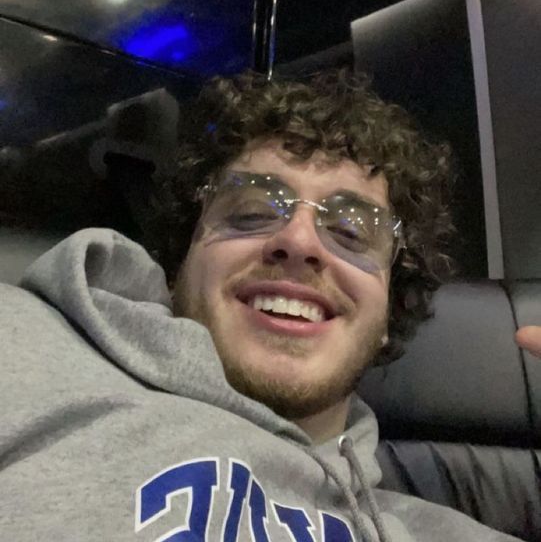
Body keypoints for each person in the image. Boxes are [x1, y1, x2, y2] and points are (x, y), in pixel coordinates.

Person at [0, 69, 535, 541]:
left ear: (388, 314)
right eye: (252, 210)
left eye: (351, 231)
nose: (299, 243)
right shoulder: (25, 347)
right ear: (180, 262)